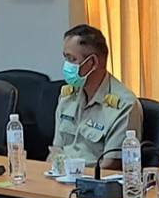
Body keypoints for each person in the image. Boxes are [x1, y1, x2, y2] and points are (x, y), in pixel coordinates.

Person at [50, 24, 135, 164]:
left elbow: (111, 165)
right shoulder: (67, 97)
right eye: (65, 58)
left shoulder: (123, 105)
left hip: (92, 181)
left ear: (92, 62)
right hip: (62, 179)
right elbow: (56, 151)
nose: (66, 65)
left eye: (72, 59)